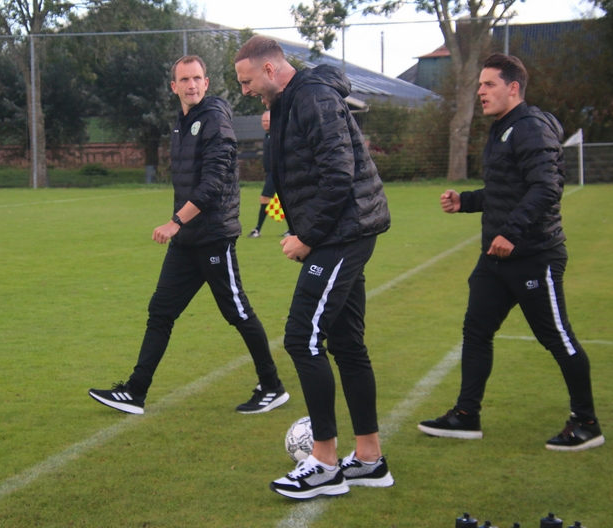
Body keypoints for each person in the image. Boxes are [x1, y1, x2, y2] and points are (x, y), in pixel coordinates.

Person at [417, 53, 604, 452]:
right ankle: (466, 415)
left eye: (489, 85)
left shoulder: (530, 127)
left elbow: (546, 187)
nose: (480, 92)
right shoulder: (503, 128)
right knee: (476, 331)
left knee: (556, 337)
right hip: (496, 258)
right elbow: (506, 191)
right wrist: (465, 201)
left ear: (513, 88)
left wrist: (512, 233)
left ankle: (587, 423)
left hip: (534, 255)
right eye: (479, 85)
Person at [234, 36, 394, 499]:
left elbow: (339, 174)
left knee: (301, 337)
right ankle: (369, 459)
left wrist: (306, 236)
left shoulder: (312, 96)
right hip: (339, 231)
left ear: (269, 69)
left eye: (247, 80)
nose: (244, 90)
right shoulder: (288, 102)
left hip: (343, 232)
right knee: (346, 344)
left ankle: (323, 462)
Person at [89, 55, 289, 416]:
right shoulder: (181, 124)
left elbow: (213, 182)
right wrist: (181, 227)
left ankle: (272, 386)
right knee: (160, 311)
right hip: (187, 241)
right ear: (174, 87)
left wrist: (175, 222)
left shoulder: (214, 119)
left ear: (206, 83)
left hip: (212, 236)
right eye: (184, 79)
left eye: (197, 78)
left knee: (237, 312)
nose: (192, 84)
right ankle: (135, 391)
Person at [247, 110, 289, 238]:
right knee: (285, 201)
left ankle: (257, 229)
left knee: (265, 198)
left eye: (268, 121)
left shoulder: (278, 134)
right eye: (263, 121)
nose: (265, 123)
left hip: (276, 173)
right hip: (270, 173)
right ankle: (293, 230)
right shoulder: (267, 135)